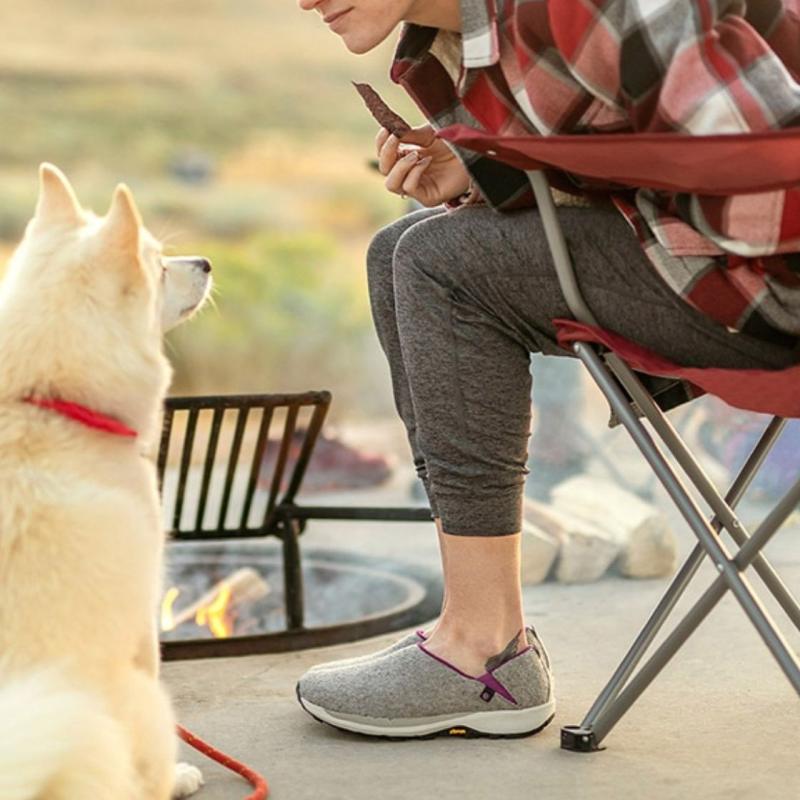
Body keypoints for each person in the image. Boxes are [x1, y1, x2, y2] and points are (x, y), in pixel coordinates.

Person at [294, 0, 800, 739]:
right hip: (733, 267)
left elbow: (773, 174)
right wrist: (489, 172)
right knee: (401, 250)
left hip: (777, 286)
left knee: (439, 264)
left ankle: (479, 653)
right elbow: (650, 142)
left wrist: (583, 187)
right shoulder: (471, 40)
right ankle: (483, 639)